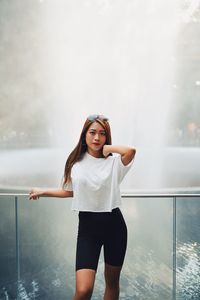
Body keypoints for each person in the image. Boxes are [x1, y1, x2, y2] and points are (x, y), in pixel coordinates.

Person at [29, 114, 136, 300]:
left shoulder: (113, 163)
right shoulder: (75, 163)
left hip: (115, 227)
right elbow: (70, 191)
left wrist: (107, 149)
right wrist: (42, 191)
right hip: (88, 231)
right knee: (83, 290)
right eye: (92, 132)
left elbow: (131, 151)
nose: (97, 138)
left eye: (102, 134)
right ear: (84, 135)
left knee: (112, 284)